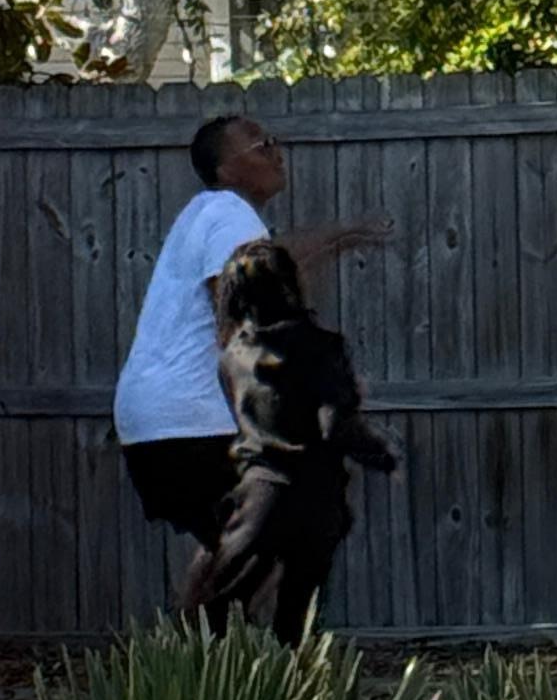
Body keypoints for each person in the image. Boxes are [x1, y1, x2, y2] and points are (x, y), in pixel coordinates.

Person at [111, 111, 380, 612]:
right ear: (225, 170)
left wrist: (341, 235)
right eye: (260, 145)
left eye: (274, 141)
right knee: (291, 529)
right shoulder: (227, 213)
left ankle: (196, 667)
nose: (276, 151)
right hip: (192, 421)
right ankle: (221, 668)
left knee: (239, 543)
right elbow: (238, 313)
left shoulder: (210, 215)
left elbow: (273, 264)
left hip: (159, 421)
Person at [198, 238, 400, 641]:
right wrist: (383, 456)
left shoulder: (233, 357)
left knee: (216, 610)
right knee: (298, 615)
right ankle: (296, 692)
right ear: (290, 284)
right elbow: (334, 424)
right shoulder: (322, 347)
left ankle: (220, 690)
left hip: (263, 495)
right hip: (318, 496)